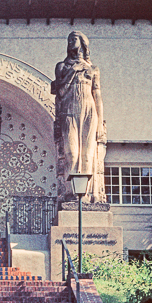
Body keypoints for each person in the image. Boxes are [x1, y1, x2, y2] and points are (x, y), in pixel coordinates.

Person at [53, 31, 106, 202]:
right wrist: (73, 71)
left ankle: (88, 195)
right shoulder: (62, 67)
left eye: (73, 39)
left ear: (83, 43)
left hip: (89, 111)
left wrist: (99, 124)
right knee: (72, 154)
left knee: (88, 154)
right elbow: (60, 92)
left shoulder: (93, 69)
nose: (70, 42)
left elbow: (97, 96)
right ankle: (70, 193)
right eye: (68, 39)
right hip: (69, 111)